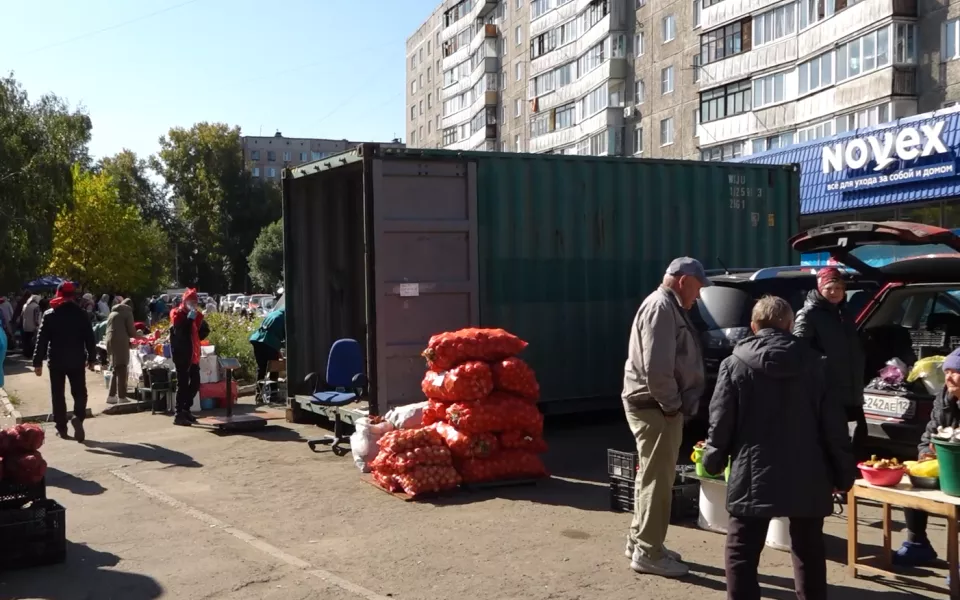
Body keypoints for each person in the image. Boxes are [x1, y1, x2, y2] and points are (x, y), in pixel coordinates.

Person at [703, 296, 856, 600]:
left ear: (753, 326)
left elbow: (720, 420)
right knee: (809, 549)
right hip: (808, 472)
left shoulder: (733, 365)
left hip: (752, 472)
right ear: (789, 325)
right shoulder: (817, 365)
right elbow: (834, 427)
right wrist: (843, 472)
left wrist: (713, 458)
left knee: (741, 549)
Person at [622, 257, 711, 578]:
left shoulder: (665, 306)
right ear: (684, 280)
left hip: (654, 406)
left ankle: (641, 542)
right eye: (698, 287)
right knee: (658, 483)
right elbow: (657, 370)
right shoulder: (661, 307)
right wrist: (673, 406)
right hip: (656, 407)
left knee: (650, 477)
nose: (698, 296)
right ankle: (649, 552)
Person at [892, 347, 960, 566]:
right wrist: (925, 453)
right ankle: (917, 543)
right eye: (947, 371)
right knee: (912, 486)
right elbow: (929, 433)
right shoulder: (943, 396)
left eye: (955, 371)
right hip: (945, 466)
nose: (948, 376)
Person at [794, 267, 867, 453]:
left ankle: (850, 477)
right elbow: (800, 351)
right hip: (827, 391)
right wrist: (823, 367)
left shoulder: (845, 313)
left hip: (851, 391)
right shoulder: (808, 314)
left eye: (838, 288)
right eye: (829, 288)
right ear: (820, 289)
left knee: (857, 439)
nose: (834, 293)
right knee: (833, 442)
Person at [33, 282, 96, 441]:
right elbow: (90, 338)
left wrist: (37, 362)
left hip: (56, 361)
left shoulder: (50, 314)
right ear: (73, 295)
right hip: (76, 360)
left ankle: (61, 428)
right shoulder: (81, 314)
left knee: (58, 395)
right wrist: (92, 358)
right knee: (80, 392)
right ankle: (78, 418)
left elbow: (41, 340)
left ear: (58, 294)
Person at [169, 289, 209, 426]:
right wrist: (189, 320)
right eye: (190, 301)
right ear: (184, 302)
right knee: (183, 385)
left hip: (193, 355)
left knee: (195, 383)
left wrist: (199, 329)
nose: (193, 304)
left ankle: (186, 409)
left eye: (194, 302)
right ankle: (178, 413)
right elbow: (180, 332)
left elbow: (203, 330)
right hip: (182, 354)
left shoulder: (195, 315)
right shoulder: (177, 314)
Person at [104, 298, 141, 405]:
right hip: (120, 341)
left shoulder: (113, 312)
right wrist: (138, 334)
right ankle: (121, 396)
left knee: (115, 368)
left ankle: (111, 396)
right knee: (122, 368)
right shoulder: (127, 312)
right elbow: (131, 331)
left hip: (110, 341)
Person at [249, 303, 285, 382]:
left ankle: (259, 391)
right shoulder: (284, 317)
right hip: (269, 341)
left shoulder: (274, 313)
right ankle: (273, 390)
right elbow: (286, 336)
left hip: (257, 339)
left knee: (262, 367)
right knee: (274, 367)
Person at [19, 294, 41, 359]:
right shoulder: (36, 306)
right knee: (32, 341)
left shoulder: (25, 305)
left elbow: (21, 316)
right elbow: (36, 318)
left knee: (26, 341)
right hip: (33, 327)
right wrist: (37, 326)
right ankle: (31, 354)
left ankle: (26, 353)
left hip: (25, 326)